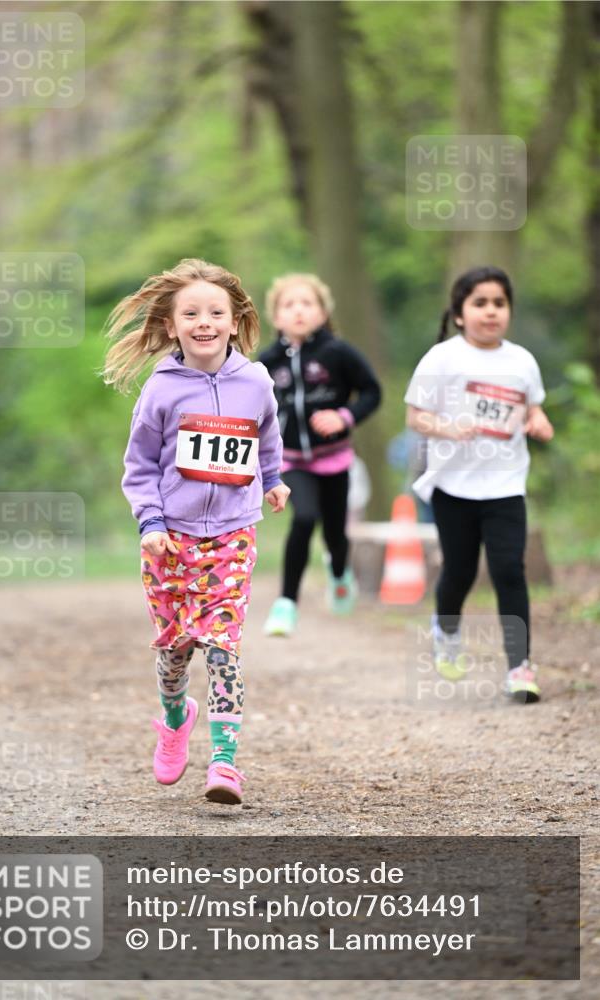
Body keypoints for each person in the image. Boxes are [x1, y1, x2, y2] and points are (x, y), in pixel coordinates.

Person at [103, 259, 290, 804]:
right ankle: (173, 715)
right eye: (191, 314)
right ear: (171, 325)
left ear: (235, 322)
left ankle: (225, 762)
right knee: (177, 650)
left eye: (215, 313)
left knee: (223, 647)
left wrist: (273, 480)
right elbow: (139, 466)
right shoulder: (161, 391)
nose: (204, 322)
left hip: (232, 534)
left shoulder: (255, 381)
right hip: (169, 540)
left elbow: (267, 437)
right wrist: (150, 522)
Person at [404, 266, 554, 702]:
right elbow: (415, 417)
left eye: (499, 303)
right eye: (480, 303)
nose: (491, 311)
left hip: (506, 484)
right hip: (454, 486)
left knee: (509, 570)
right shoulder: (442, 358)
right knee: (460, 571)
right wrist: (448, 428)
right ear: (459, 313)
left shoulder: (522, 361)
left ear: (509, 311)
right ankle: (447, 631)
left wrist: (539, 422)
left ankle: (519, 667)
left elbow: (534, 408)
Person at [258, 273, 381, 636]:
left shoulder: (338, 353)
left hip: (334, 459)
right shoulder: (267, 362)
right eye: (289, 305)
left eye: (307, 303)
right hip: (291, 460)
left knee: (335, 536)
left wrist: (344, 417)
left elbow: (372, 391)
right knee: (303, 517)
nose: (298, 310)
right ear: (276, 317)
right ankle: (286, 604)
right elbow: (252, 408)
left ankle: (339, 573)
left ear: (323, 313)